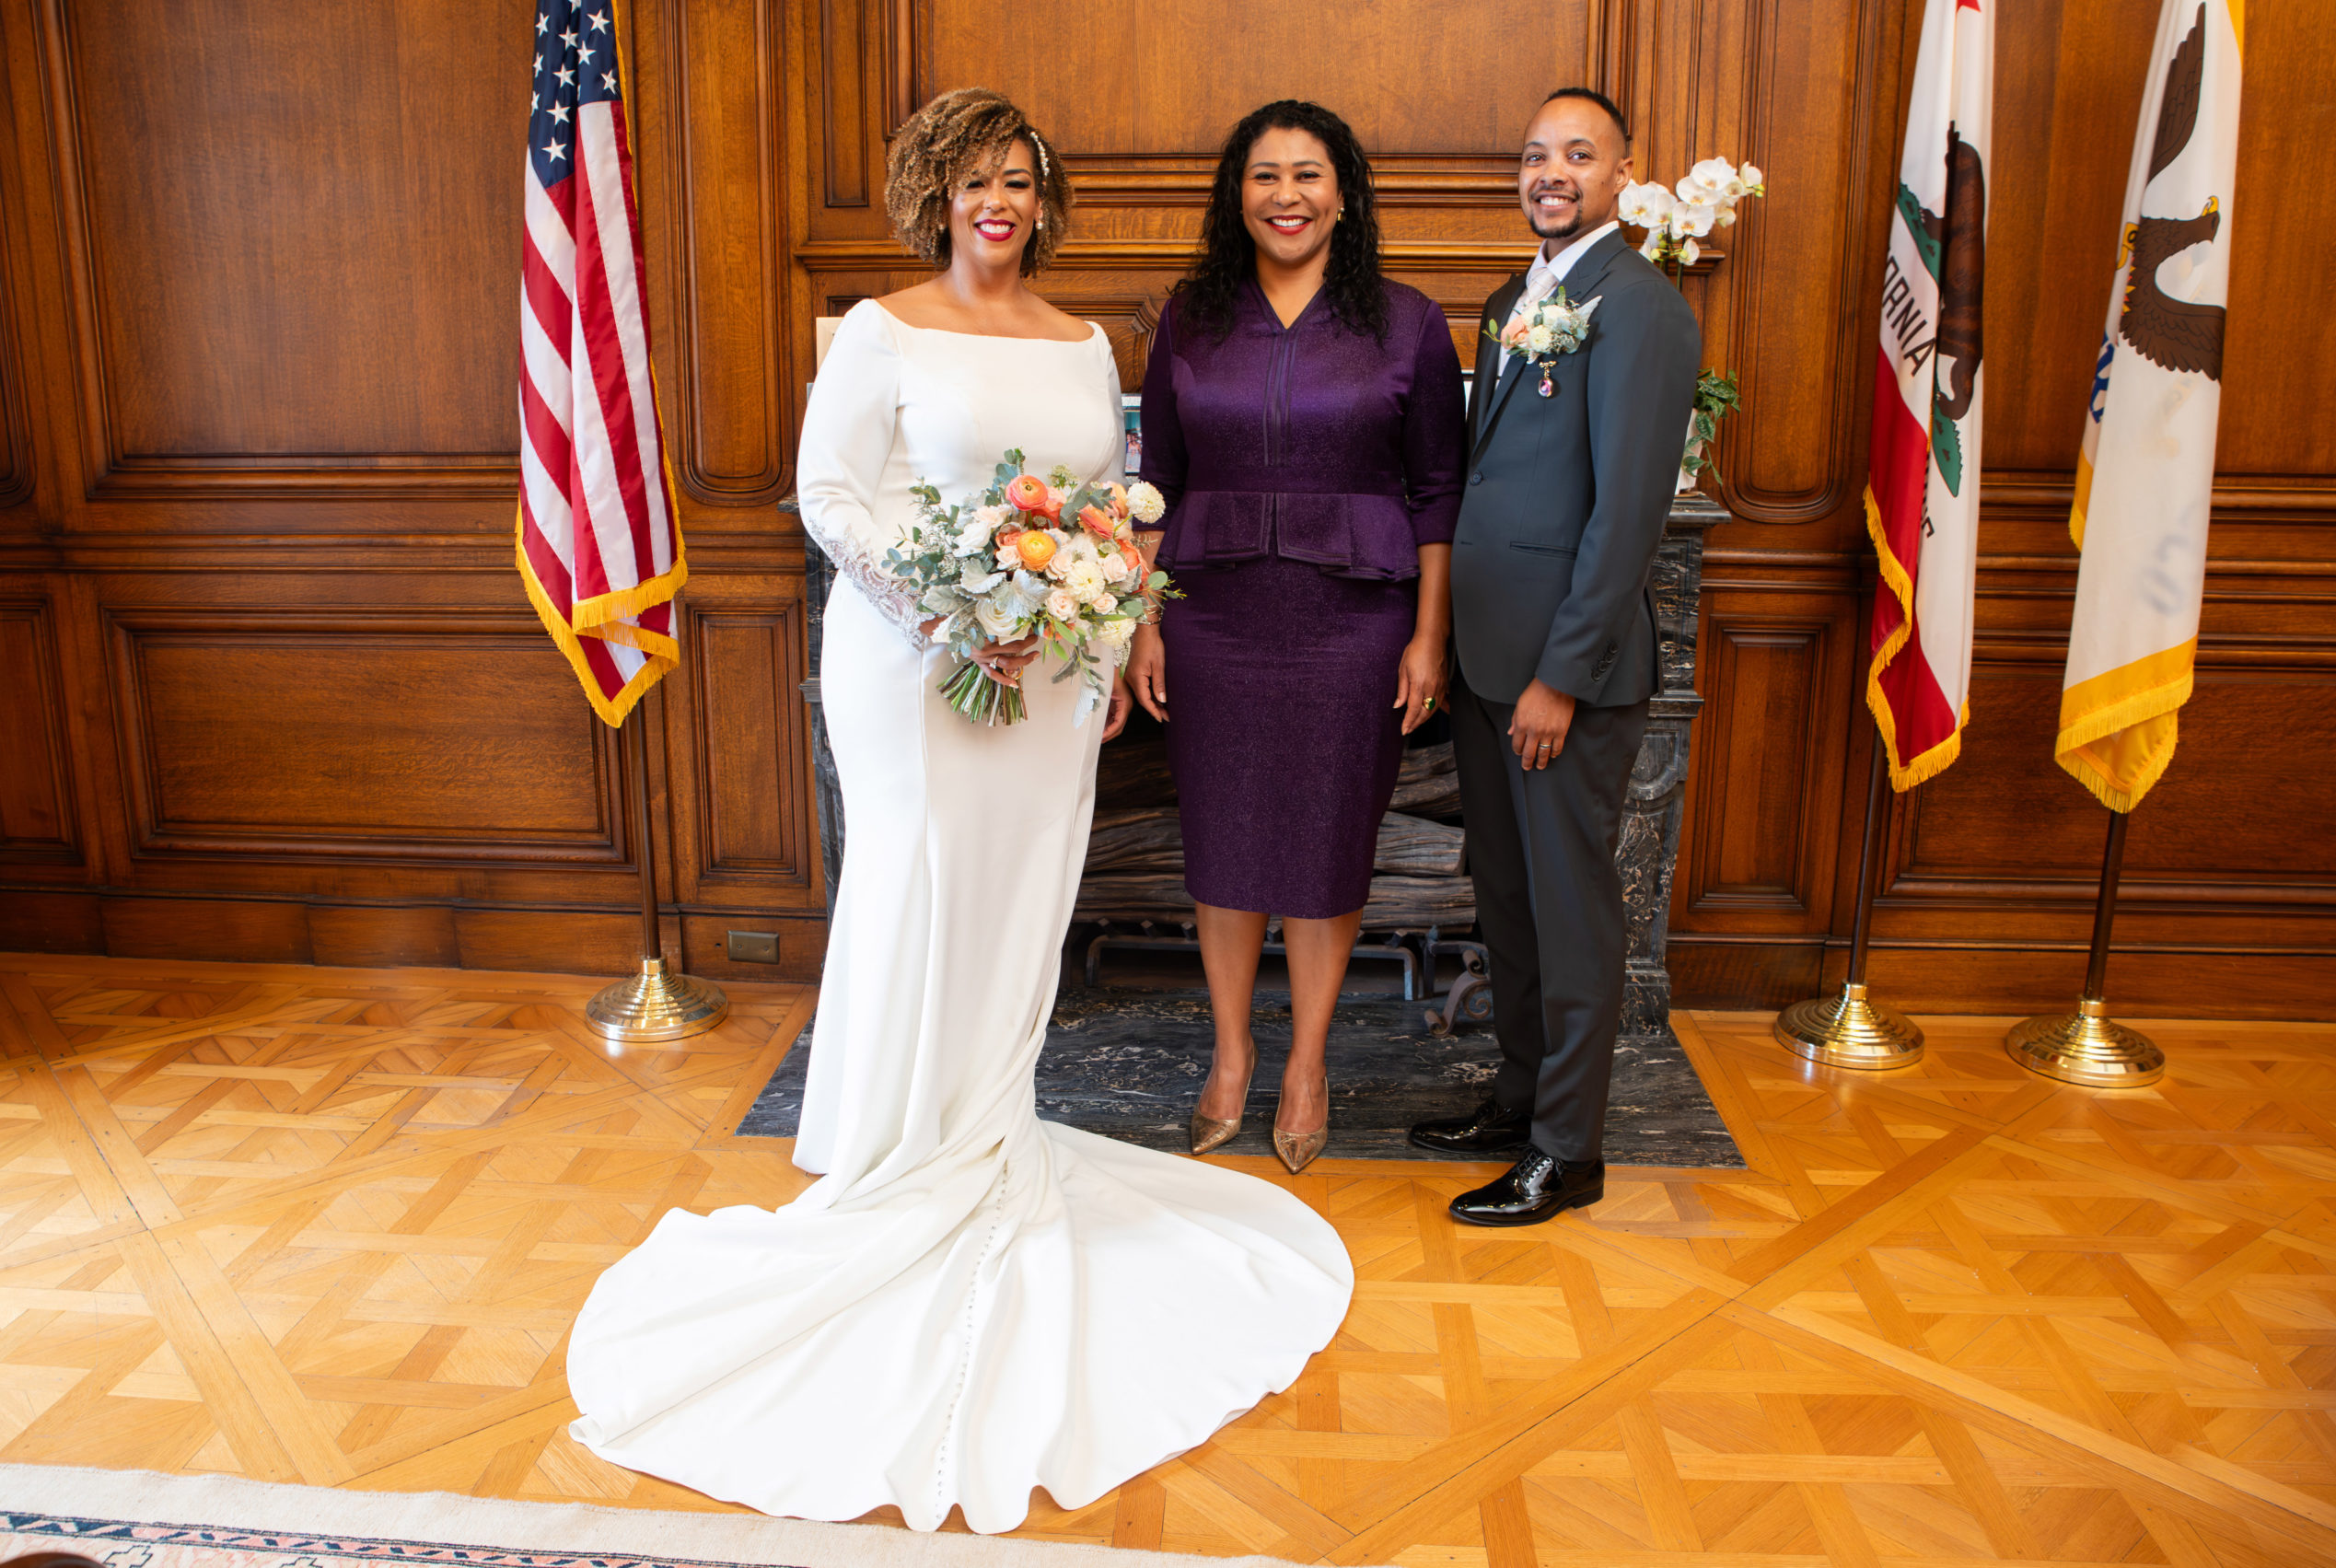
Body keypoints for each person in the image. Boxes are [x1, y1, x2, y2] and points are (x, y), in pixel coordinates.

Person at [564, 88, 1353, 1532]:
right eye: (975, 180)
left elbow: (1115, 501)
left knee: (1024, 892)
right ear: (935, 194)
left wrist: (1103, 642)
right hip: (914, 665)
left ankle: (986, 1126)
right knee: (918, 881)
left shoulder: (1081, 340)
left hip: (1049, 669)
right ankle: (894, 1146)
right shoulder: (881, 330)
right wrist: (943, 609)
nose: (999, 202)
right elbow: (829, 494)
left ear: (1042, 200)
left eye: (1019, 181)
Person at [1124, 100, 1463, 1175]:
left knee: (1323, 844)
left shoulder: (1406, 320)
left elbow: (1439, 492)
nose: (1286, 194)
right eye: (1264, 174)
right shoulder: (1190, 314)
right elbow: (1153, 485)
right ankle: (1231, 1054)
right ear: (1238, 194)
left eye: (1308, 174)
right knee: (1222, 843)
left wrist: (1428, 635)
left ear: (1344, 193)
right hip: (1211, 614)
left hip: (1353, 623)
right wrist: (1141, 624)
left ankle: (1307, 1061)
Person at [1407, 88, 1700, 1225]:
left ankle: (1567, 1151)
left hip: (1559, 679)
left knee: (1571, 909)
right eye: (1535, 154)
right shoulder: (1508, 300)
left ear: (1624, 173)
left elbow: (1626, 515)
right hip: (1486, 662)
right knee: (1510, 901)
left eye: (1578, 154)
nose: (1552, 171)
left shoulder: (1641, 308)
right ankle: (1520, 1098)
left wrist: (1559, 677)